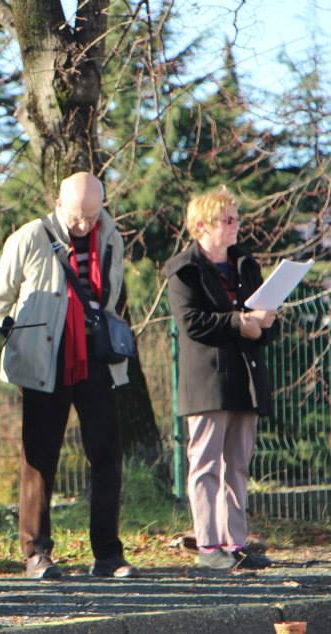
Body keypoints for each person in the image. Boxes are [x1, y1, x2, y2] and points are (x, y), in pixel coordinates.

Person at [0, 171, 137, 579]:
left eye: (92, 215)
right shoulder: (29, 237)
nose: (84, 225)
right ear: (58, 203)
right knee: (39, 458)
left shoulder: (111, 237)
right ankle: (36, 552)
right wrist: (17, 338)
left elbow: (110, 295)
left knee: (107, 455)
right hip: (45, 360)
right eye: (76, 216)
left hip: (96, 358)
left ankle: (108, 554)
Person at [165, 186, 276, 571]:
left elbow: (265, 320)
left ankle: (235, 542)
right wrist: (240, 323)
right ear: (201, 226)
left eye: (236, 218)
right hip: (208, 382)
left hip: (245, 379)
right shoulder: (184, 269)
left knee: (238, 466)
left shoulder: (246, 265)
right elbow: (191, 322)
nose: (236, 226)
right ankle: (209, 546)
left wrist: (264, 324)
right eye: (227, 220)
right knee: (206, 466)